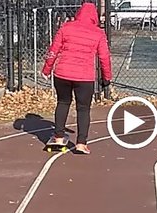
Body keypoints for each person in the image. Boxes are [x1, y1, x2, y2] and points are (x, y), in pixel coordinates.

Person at [41, 1, 112, 154]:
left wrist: (46, 69)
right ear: (95, 17)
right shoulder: (98, 33)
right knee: (83, 109)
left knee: (63, 102)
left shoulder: (66, 27)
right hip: (84, 77)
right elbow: (104, 57)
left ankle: (58, 137)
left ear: (79, 13)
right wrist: (107, 77)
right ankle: (81, 143)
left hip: (62, 73)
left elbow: (53, 49)